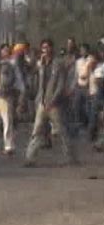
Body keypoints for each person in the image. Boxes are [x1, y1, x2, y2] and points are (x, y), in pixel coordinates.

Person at [25, 39, 77, 167]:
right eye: (43, 47)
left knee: (61, 131)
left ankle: (70, 157)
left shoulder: (58, 63)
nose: (45, 50)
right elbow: (35, 76)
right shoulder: (42, 64)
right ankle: (29, 158)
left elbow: (60, 84)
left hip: (54, 103)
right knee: (36, 130)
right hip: (42, 102)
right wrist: (40, 64)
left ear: (52, 48)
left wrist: (54, 100)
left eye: (47, 47)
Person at [74, 43, 90, 130]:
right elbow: (76, 74)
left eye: (84, 50)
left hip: (87, 86)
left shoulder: (90, 59)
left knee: (87, 106)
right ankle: (78, 123)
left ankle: (87, 123)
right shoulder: (78, 61)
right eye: (81, 50)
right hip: (79, 86)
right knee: (77, 105)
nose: (82, 52)